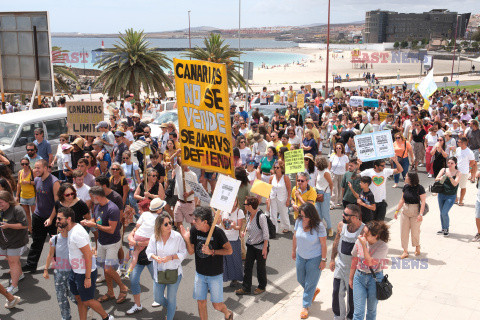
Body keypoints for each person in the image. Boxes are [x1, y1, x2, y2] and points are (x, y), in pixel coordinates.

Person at [58, 207, 114, 320]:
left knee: (88, 300)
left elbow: (88, 256)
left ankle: (106, 317)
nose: (57, 221)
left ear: (68, 219)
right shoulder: (70, 229)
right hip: (75, 271)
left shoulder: (76, 233)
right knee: (80, 299)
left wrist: (87, 277)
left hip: (84, 273)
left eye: (59, 218)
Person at [179, 207, 234, 320]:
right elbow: (190, 251)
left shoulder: (218, 232)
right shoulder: (194, 231)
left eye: (196, 219)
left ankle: (227, 313)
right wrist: (187, 239)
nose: (193, 222)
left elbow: (229, 251)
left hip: (215, 275)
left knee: (217, 305)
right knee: (201, 302)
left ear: (205, 222)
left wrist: (212, 251)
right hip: (200, 274)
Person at [81, 186, 128, 304]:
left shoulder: (113, 209)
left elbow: (112, 229)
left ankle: (123, 287)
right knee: (105, 268)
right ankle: (110, 292)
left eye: (92, 197)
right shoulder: (97, 205)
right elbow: (95, 219)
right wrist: (88, 222)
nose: (90, 199)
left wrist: (95, 226)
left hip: (112, 243)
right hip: (101, 242)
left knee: (108, 269)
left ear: (97, 197)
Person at [145, 212, 186, 320]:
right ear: (159, 226)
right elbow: (149, 252)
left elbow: (183, 253)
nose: (169, 226)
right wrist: (155, 257)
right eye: (166, 224)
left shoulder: (177, 237)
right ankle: (170, 307)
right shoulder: (154, 237)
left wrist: (171, 257)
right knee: (158, 298)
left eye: (170, 223)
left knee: (171, 299)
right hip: (160, 272)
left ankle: (170, 314)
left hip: (174, 272)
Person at [23, 159, 60, 273]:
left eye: (38, 167)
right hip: (38, 216)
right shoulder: (37, 179)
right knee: (36, 242)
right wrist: (36, 212)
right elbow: (39, 197)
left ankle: (59, 265)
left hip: (51, 218)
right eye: (35, 167)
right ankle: (31, 265)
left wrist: (51, 218)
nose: (35, 170)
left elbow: (57, 203)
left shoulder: (54, 182)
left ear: (45, 168)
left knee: (56, 243)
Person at [292, 203, 327, 319]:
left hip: (315, 258)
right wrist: (293, 250)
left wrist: (323, 260)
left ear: (311, 215)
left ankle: (305, 306)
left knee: (310, 282)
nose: (303, 218)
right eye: (301, 215)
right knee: (300, 279)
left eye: (305, 216)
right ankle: (313, 290)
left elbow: (323, 244)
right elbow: (294, 236)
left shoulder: (319, 226)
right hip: (301, 255)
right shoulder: (298, 221)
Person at [330, 204, 365, 320]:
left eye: (345, 214)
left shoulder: (364, 230)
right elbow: (336, 242)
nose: (342, 215)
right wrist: (331, 259)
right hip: (340, 266)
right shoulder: (341, 225)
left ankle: (350, 317)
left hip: (354, 269)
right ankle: (339, 316)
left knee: (352, 297)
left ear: (355, 217)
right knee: (336, 292)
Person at [350, 221, 390, 320]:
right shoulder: (360, 241)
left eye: (366, 234)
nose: (363, 236)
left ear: (375, 236)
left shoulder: (383, 246)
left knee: (371, 310)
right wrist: (351, 278)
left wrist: (364, 246)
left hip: (375, 279)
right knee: (358, 312)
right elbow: (355, 259)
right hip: (359, 277)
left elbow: (370, 262)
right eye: (363, 232)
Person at [43, 221, 76, 320]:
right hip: (59, 273)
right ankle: (66, 317)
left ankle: (87, 309)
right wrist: (46, 269)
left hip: (71, 272)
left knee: (74, 296)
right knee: (61, 297)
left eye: (62, 227)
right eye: (59, 227)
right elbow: (50, 254)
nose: (60, 229)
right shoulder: (55, 239)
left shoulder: (73, 238)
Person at [236, 196, 269, 296]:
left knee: (260, 268)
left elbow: (266, 234)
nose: (244, 205)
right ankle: (246, 288)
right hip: (251, 245)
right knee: (247, 267)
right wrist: (244, 232)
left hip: (260, 246)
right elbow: (248, 226)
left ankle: (261, 286)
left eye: (245, 204)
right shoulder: (249, 213)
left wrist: (264, 249)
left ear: (250, 206)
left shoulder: (261, 216)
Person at [0, 191, 28, 295]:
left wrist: (8, 225)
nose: (0, 205)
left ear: (8, 201)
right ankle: (19, 274)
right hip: (5, 240)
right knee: (10, 259)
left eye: (1, 202)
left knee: (13, 262)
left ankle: (14, 286)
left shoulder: (17, 209)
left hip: (17, 241)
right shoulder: (1, 209)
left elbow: (24, 225)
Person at [394, 171, 426, 258]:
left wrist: (421, 214)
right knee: (403, 232)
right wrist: (397, 211)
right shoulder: (405, 187)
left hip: (415, 211)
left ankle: (417, 246)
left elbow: (423, 202)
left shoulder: (420, 188)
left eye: (406, 176)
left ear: (411, 178)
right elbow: (402, 199)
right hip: (405, 211)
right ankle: (405, 251)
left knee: (415, 232)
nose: (405, 177)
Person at [219, 199, 245, 287]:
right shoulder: (223, 211)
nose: (233, 203)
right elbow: (219, 223)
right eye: (232, 200)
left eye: (235, 201)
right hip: (223, 239)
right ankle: (219, 281)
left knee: (235, 260)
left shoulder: (239, 212)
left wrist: (234, 226)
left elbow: (239, 227)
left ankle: (235, 279)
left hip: (234, 239)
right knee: (223, 261)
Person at [436, 157, 461, 236]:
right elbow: (436, 179)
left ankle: (446, 228)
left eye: (452, 163)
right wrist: (442, 177)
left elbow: (455, 184)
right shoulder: (443, 170)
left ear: (455, 164)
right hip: (441, 194)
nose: (449, 164)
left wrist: (450, 176)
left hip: (451, 196)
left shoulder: (458, 173)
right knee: (441, 212)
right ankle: (443, 228)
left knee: (444, 212)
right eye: (448, 163)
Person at [268, 161, 292, 233]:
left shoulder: (285, 178)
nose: (276, 169)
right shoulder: (272, 177)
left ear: (282, 168)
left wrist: (288, 200)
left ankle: (286, 226)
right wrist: (268, 198)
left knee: (283, 213)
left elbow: (289, 189)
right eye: (275, 167)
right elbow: (268, 188)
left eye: (277, 167)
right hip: (273, 197)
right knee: (272, 213)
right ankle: (273, 229)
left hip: (282, 198)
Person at [315, 156, 334, 237]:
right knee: (318, 213)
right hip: (318, 193)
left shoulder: (326, 172)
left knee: (325, 213)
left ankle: (330, 228)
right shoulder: (319, 171)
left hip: (325, 193)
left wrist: (330, 193)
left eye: (316, 162)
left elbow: (331, 183)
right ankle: (321, 228)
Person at [173, 164, 197, 228]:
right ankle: (182, 237)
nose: (183, 165)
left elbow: (196, 188)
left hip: (189, 203)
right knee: (178, 222)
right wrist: (177, 153)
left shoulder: (193, 175)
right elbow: (172, 159)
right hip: (179, 202)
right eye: (181, 163)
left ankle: (192, 236)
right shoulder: (178, 170)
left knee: (192, 222)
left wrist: (188, 193)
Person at [16, 157, 35, 233]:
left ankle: (36, 228)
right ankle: (29, 229)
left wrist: (28, 182)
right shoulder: (20, 172)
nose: (24, 166)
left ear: (29, 164)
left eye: (26, 164)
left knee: (34, 214)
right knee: (27, 214)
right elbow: (18, 184)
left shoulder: (32, 171)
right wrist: (17, 195)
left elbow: (36, 182)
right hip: (23, 196)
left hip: (32, 195)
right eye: (22, 164)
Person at [455, 137, 475, 206]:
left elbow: (472, 161)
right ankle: (455, 199)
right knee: (454, 185)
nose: (457, 143)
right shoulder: (457, 149)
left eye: (459, 142)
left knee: (462, 186)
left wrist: (469, 168)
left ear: (463, 143)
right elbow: (456, 158)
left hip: (464, 172)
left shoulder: (469, 152)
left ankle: (461, 201)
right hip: (456, 171)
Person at [121, 150, 141, 217]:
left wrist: (140, 186)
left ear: (130, 157)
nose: (125, 159)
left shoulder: (134, 165)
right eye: (124, 158)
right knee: (127, 202)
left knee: (132, 200)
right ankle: (130, 217)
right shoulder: (122, 166)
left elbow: (137, 176)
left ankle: (138, 214)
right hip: (125, 185)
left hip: (133, 185)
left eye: (127, 158)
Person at [330, 143, 349, 208]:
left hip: (342, 174)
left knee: (341, 189)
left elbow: (347, 167)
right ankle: (332, 203)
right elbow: (329, 166)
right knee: (334, 189)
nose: (338, 149)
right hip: (334, 174)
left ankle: (340, 202)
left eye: (339, 148)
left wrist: (347, 175)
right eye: (337, 148)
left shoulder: (345, 157)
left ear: (342, 149)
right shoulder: (332, 156)